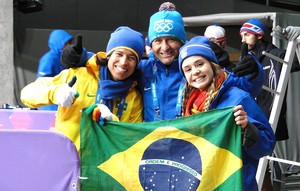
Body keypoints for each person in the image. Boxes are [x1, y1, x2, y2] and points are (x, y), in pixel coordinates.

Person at [61, 3, 263, 122]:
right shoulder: (142, 68)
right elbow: (111, 63)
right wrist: (77, 57)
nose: (164, 47)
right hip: (151, 147)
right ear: (151, 44)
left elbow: (243, 88)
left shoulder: (195, 71)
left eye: (171, 39)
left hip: (189, 145)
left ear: (181, 41)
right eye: (158, 41)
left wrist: (254, 71)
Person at [178, 35, 276, 191]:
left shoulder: (237, 97)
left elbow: (267, 143)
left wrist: (247, 128)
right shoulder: (185, 104)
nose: (195, 72)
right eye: (187, 69)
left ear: (213, 65)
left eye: (200, 64)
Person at [21, 26, 144, 152]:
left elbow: (134, 138)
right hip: (67, 160)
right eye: (119, 54)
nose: (123, 62)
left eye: (131, 58)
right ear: (109, 56)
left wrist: (114, 123)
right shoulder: (79, 76)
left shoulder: (133, 95)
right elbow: (26, 94)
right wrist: (56, 93)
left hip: (104, 166)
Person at [239, 18, 300, 191]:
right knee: (253, 165)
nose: (243, 38)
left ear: (259, 34)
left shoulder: (276, 55)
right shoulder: (249, 57)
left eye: (247, 34)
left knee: (260, 166)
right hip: (251, 117)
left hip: (267, 120)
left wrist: (298, 40)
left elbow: (296, 62)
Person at [37, 29, 73, 111]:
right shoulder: (48, 59)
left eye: (69, 43)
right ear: (58, 43)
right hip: (50, 105)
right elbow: (42, 82)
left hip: (62, 102)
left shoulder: (65, 58)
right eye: (66, 43)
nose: (68, 45)